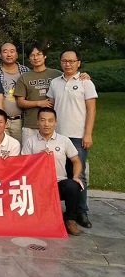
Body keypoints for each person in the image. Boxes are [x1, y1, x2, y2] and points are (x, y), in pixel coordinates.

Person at [47, 50, 98, 229]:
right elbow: (50, 107)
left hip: (78, 136)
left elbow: (91, 110)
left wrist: (88, 133)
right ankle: (65, 212)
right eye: (64, 61)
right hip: (58, 136)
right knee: (60, 175)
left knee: (79, 174)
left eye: (71, 61)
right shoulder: (55, 83)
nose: (67, 64)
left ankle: (81, 212)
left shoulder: (86, 82)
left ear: (78, 63)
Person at [22, 107, 84, 236]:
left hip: (58, 182)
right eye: (43, 120)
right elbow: (24, 166)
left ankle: (70, 220)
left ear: (56, 122)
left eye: (50, 121)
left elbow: (76, 161)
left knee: (73, 186)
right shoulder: (30, 141)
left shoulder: (64, 141)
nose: (46, 124)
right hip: (37, 184)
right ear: (37, 121)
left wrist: (76, 176)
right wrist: (38, 158)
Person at [0, 43, 30, 144]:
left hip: (21, 120)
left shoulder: (26, 71)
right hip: (1, 121)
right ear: (0, 55)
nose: (9, 54)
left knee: (20, 149)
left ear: (16, 55)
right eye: (5, 51)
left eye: (12, 51)